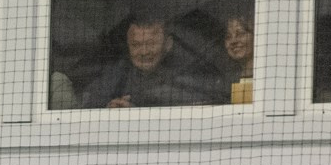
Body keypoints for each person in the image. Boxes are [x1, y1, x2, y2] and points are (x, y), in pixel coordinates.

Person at [80, 17, 224, 108]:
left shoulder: (189, 71)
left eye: (151, 44)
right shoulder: (117, 74)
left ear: (168, 44)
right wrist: (109, 108)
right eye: (136, 45)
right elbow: (88, 104)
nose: (143, 52)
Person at [223, 14, 255, 99]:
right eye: (228, 37)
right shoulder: (225, 81)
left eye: (240, 34)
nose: (233, 41)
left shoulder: (264, 76)